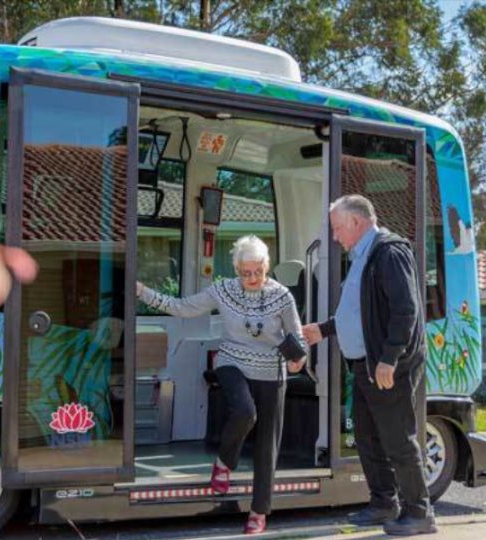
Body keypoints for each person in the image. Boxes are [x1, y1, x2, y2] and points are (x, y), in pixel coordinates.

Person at [136, 235, 305, 535]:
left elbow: (298, 336)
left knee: (268, 445)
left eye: (258, 271)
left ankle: (258, 512)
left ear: (267, 266)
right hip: (232, 363)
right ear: (236, 267)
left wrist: (299, 360)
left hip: (271, 371)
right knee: (245, 412)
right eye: (245, 272)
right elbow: (184, 307)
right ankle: (225, 462)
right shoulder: (223, 290)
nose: (252, 278)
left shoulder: (282, 296)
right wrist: (142, 292)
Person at [302, 195, 436, 536]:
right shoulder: (362, 257)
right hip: (364, 364)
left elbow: (406, 311)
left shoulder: (389, 253)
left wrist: (389, 359)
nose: (334, 237)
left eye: (336, 228)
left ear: (357, 224)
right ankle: (383, 503)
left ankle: (419, 513)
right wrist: (325, 329)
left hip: (388, 365)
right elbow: (360, 312)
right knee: (366, 437)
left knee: (398, 440)